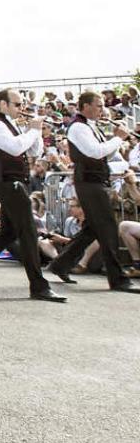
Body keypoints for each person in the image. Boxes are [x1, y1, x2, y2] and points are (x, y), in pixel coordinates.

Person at [0, 89, 65, 302]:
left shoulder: (11, 123)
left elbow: (33, 153)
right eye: (16, 104)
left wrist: (37, 131)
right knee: (28, 231)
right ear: (3, 104)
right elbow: (15, 148)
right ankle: (38, 286)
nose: (21, 108)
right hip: (8, 182)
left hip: (15, 182)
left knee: (9, 231)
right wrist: (32, 131)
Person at [44, 91, 140, 294]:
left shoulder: (90, 126)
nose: (102, 109)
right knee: (108, 228)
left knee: (92, 229)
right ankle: (118, 279)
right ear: (85, 106)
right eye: (98, 105)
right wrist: (117, 138)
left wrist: (118, 146)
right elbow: (95, 152)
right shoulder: (78, 127)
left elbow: (105, 154)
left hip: (95, 181)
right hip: (88, 183)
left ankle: (61, 264)